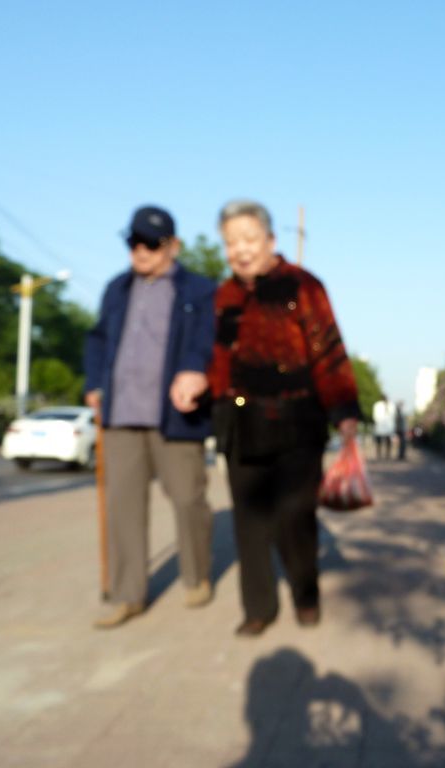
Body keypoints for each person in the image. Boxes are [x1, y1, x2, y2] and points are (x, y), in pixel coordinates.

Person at [208, 199, 361, 637]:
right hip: (241, 422)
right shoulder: (224, 295)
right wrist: (203, 390)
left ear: (270, 240)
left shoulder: (303, 285)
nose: (240, 250)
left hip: (297, 419)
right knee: (249, 520)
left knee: (296, 515)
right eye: (231, 242)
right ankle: (258, 608)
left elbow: (327, 347)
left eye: (248, 239)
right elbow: (218, 358)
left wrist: (343, 409)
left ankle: (305, 594)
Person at [84, 205, 217, 629]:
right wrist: (93, 382)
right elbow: (97, 339)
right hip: (121, 414)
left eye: (150, 243)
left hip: (175, 416)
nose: (140, 251)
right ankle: (128, 594)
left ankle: (196, 575)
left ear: (172, 246)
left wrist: (195, 370)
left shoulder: (200, 290)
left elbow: (208, 340)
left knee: (188, 499)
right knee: (122, 507)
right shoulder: (117, 288)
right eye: (134, 242)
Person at [371, 396, 395, 460]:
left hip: (386, 426)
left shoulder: (390, 405)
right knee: (382, 441)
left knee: (385, 441)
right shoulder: (378, 405)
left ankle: (385, 454)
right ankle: (382, 454)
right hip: (382, 426)